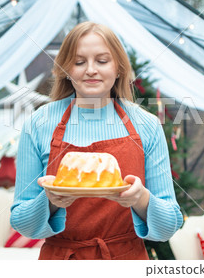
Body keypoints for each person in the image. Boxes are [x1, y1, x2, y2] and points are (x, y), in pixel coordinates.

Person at [10, 21, 183, 260]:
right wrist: (49, 201)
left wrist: (140, 198)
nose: (91, 70)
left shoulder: (147, 125)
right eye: (79, 62)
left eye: (102, 61)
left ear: (119, 68)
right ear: (66, 69)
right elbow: (21, 223)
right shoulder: (38, 124)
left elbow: (170, 225)